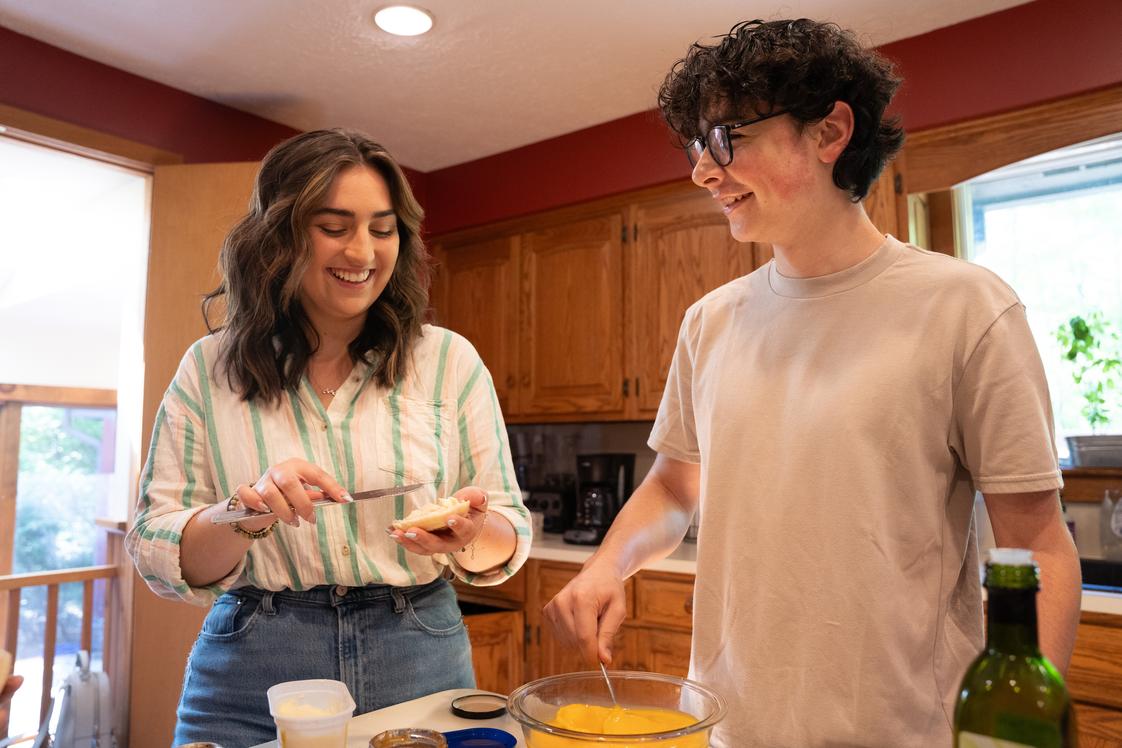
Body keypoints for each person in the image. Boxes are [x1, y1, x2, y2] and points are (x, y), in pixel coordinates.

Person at [543, 18, 1081, 747]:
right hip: (731, 727)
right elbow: (673, 488)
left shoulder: (966, 308)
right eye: (697, 147)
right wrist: (609, 563)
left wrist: (1021, 728)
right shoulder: (709, 323)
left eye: (727, 139)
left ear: (830, 133)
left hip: (904, 733)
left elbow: (1037, 541)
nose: (703, 172)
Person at [126, 129, 531, 748]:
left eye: (383, 228)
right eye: (334, 227)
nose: (363, 251)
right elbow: (157, 546)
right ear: (279, 235)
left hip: (417, 654)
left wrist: (473, 534)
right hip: (252, 666)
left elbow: (507, 532)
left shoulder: (449, 360)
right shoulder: (208, 368)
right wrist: (245, 513)